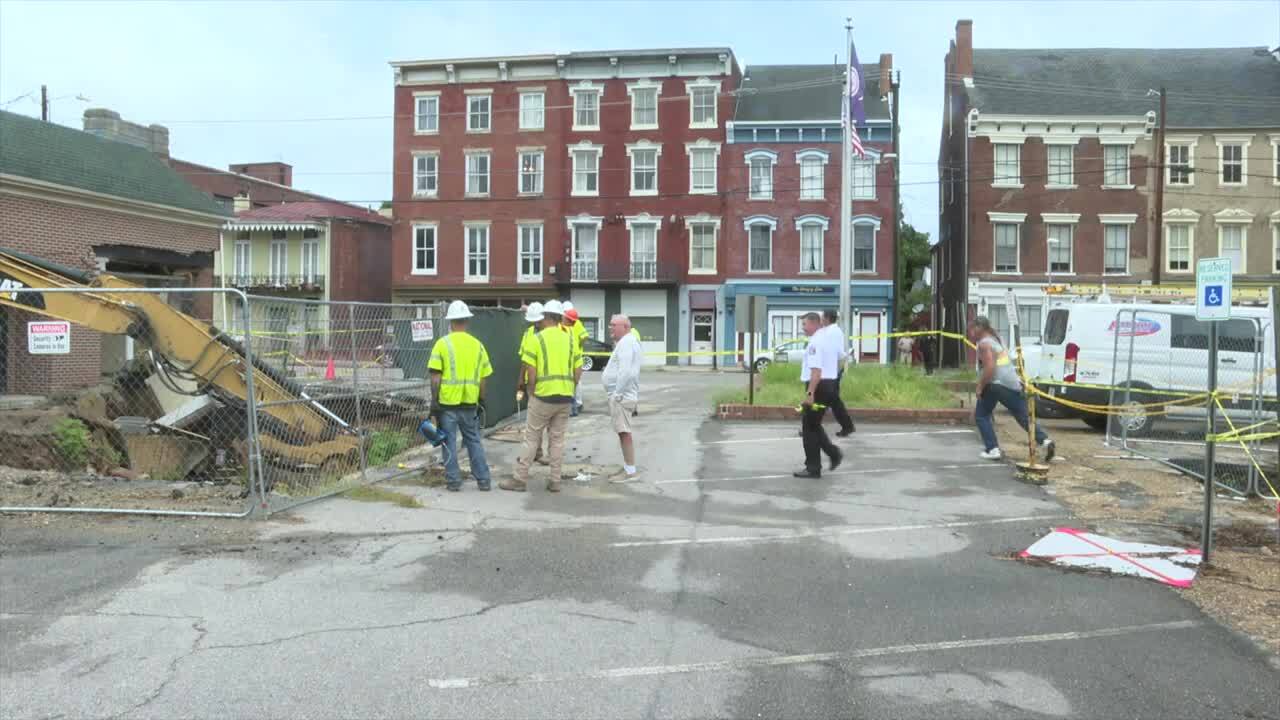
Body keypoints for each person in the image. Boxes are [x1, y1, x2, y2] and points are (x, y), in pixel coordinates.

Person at [502, 299, 582, 493]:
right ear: (559, 318)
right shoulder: (571, 339)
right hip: (564, 397)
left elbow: (531, 370)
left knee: (531, 438)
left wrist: (532, 391)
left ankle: (520, 479)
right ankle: (555, 481)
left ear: (545, 317)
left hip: (543, 396)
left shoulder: (536, 339)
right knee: (557, 440)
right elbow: (578, 371)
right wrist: (569, 387)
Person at [968, 315, 1055, 462]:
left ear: (978, 328)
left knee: (981, 415)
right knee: (1022, 416)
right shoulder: (998, 339)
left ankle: (992, 449)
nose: (970, 334)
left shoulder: (984, 344)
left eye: (971, 330)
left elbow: (990, 368)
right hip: (1011, 383)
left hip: (995, 383)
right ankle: (1045, 441)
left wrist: (980, 386)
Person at [427, 300, 493, 492]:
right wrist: (481, 399)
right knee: (473, 440)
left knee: (448, 442)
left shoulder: (442, 344)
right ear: (467, 321)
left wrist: (434, 403)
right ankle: (483, 480)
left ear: (451, 322)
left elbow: (435, 377)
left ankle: (454, 481)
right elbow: (483, 378)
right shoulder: (478, 346)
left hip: (448, 404)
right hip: (470, 403)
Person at [795, 312, 843, 478]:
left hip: (819, 386)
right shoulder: (827, 339)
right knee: (813, 425)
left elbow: (816, 371)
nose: (803, 328)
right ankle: (833, 453)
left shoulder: (816, 342)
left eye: (805, 325)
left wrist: (810, 393)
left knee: (808, 428)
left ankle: (813, 467)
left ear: (815, 324)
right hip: (828, 384)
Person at [602, 314, 642, 483]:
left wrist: (617, 394)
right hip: (621, 395)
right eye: (610, 324)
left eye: (614, 325)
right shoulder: (626, 342)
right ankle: (628, 467)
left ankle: (630, 471)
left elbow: (627, 371)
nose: (610, 327)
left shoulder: (627, 342)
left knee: (624, 432)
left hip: (621, 396)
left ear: (625, 327)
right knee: (622, 432)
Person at [518, 302, 548, 465]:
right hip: (532, 384)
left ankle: (537, 453)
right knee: (533, 422)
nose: (535, 324)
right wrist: (521, 379)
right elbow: (524, 358)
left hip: (547, 383)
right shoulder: (528, 333)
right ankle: (536, 452)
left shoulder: (552, 333)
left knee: (545, 422)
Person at [820, 309, 855, 436]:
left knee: (823, 398)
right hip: (830, 370)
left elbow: (837, 353)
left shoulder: (832, 332)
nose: (821, 319)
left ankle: (811, 426)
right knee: (832, 400)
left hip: (830, 371)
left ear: (828, 318)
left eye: (822, 317)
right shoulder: (831, 331)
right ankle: (847, 426)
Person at [562, 303, 588, 416]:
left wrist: (578, 345)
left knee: (573, 380)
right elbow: (584, 336)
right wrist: (578, 345)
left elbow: (584, 336)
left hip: (571, 354)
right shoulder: (575, 322)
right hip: (574, 354)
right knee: (575, 380)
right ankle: (576, 404)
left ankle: (575, 404)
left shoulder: (572, 322)